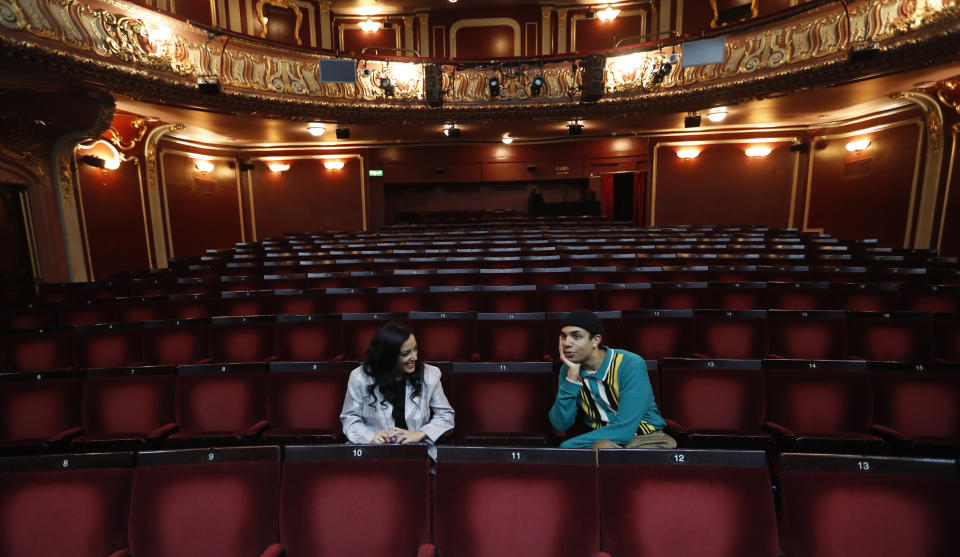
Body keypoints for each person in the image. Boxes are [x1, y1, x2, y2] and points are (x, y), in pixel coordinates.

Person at [549, 309, 676, 449]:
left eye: (576, 336)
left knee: (602, 451)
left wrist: (568, 446)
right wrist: (571, 380)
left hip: (648, 439)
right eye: (563, 336)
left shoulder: (629, 364)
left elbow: (624, 430)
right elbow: (560, 423)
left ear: (596, 340)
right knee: (602, 449)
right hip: (602, 442)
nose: (567, 343)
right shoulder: (568, 369)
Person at [340, 322, 454, 457]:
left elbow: (446, 415)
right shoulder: (360, 377)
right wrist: (370, 438)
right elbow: (350, 418)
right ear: (388, 356)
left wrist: (419, 434)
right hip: (373, 452)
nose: (414, 357)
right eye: (406, 353)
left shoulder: (430, 374)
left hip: (416, 452)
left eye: (415, 349)